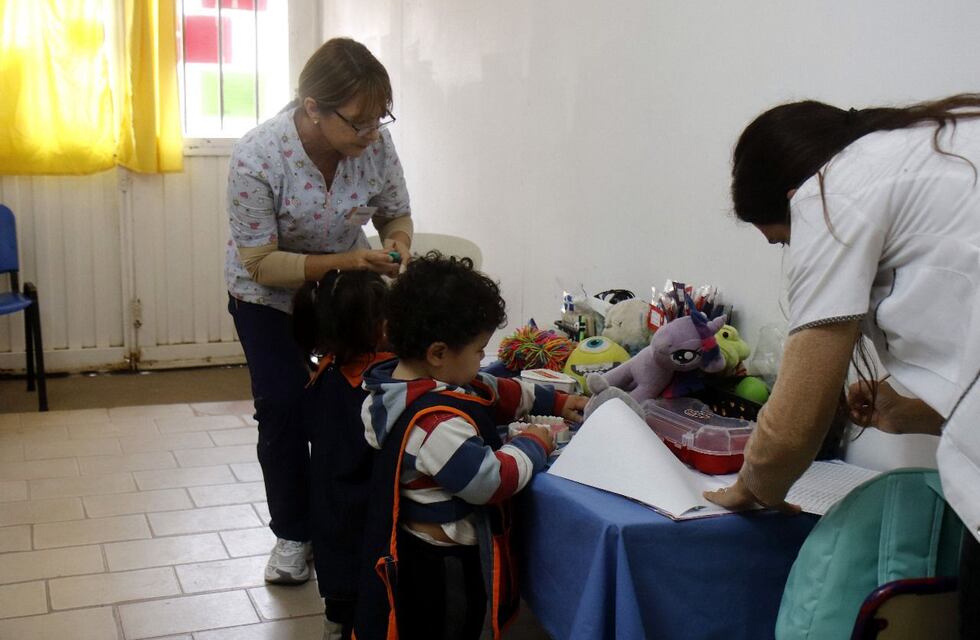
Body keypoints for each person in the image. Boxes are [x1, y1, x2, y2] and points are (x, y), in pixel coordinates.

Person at [704, 94, 980, 637]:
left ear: (792, 196)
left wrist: (752, 485)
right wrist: (915, 412)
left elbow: (795, 420)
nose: (793, 249)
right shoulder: (929, 149)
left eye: (783, 240)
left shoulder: (831, 193)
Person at [225, 37, 413, 584]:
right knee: (284, 406)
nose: (371, 133)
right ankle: (293, 534)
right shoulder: (258, 155)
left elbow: (396, 214)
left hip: (344, 292)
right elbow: (259, 263)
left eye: (380, 119)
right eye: (358, 122)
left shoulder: (372, 145)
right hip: (268, 298)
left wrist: (397, 248)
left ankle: (352, 521)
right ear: (312, 107)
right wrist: (348, 258)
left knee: (354, 399)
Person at [353, 253, 588, 640]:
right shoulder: (434, 425)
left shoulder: (403, 387)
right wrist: (534, 442)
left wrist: (557, 402)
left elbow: (495, 391)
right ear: (439, 353)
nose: (483, 361)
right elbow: (489, 480)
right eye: (480, 350)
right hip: (442, 568)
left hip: (432, 554)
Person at [291, 270, 391, 640]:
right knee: (361, 606)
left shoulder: (324, 375)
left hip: (330, 520)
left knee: (339, 605)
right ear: (381, 328)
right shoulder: (379, 387)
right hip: (362, 521)